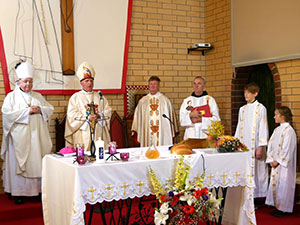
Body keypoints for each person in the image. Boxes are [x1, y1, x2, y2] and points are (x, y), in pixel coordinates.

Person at [1, 61, 53, 204]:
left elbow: (49, 109)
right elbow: (6, 115)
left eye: (30, 81)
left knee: (37, 162)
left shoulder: (38, 96)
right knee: (20, 166)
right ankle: (18, 193)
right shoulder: (11, 97)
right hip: (19, 140)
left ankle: (37, 191)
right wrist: (27, 112)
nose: (28, 85)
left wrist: (41, 110)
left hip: (36, 138)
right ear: (18, 82)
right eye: (25, 82)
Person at [65, 61, 112, 151]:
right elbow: (71, 116)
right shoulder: (75, 97)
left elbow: (107, 110)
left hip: (99, 133)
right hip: (83, 132)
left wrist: (99, 116)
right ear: (81, 83)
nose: (89, 83)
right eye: (87, 81)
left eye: (91, 81)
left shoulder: (100, 97)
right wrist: (87, 117)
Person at [235, 82, 269, 200]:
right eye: (245, 92)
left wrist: (261, 147)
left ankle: (256, 197)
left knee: (257, 169)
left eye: (249, 92)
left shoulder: (261, 108)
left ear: (255, 93)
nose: (246, 94)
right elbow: (239, 127)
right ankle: (245, 194)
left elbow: (263, 127)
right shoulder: (242, 109)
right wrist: (236, 143)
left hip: (255, 145)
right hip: (244, 145)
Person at [265, 106, 297, 217]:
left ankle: (285, 209)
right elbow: (270, 145)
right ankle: (278, 207)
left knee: (284, 185)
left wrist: (277, 161)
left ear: (282, 116)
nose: (274, 117)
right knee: (277, 185)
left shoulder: (289, 131)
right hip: (275, 164)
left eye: (276, 114)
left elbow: (287, 148)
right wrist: (270, 159)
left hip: (284, 165)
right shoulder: (277, 130)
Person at [131, 76, 179, 147]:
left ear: (159, 85)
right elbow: (138, 118)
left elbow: (171, 118)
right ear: (148, 85)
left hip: (162, 133)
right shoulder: (143, 101)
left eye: (155, 84)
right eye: (151, 84)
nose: (152, 86)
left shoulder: (165, 101)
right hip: (147, 132)